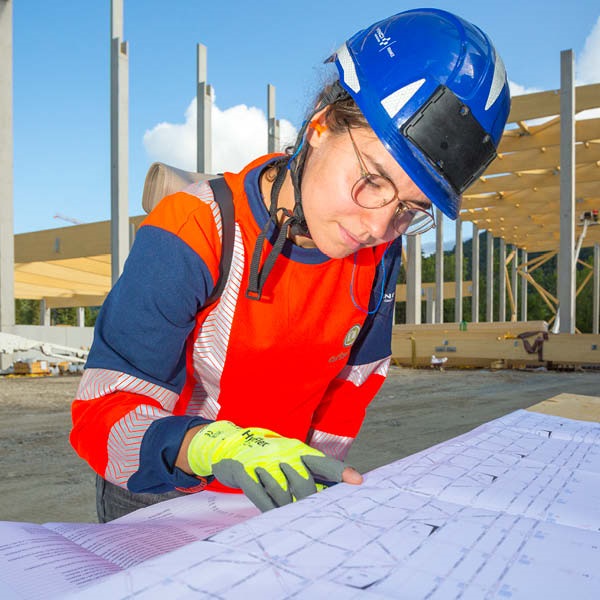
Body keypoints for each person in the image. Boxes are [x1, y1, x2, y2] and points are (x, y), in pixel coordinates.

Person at [70, 7, 510, 522]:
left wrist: (311, 474)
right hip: (162, 492)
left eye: (410, 210)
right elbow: (103, 411)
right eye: (373, 180)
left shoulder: (378, 258)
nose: (376, 226)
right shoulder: (194, 231)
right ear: (321, 124)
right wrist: (210, 447)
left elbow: (354, 384)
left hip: (273, 500)